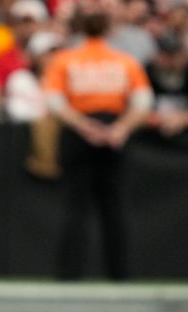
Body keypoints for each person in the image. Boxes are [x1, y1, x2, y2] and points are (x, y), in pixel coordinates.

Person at [42, 0, 152, 280]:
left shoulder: (65, 59)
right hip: (113, 133)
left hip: (80, 133)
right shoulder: (124, 61)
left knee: (75, 208)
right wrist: (121, 129)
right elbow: (142, 101)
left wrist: (83, 126)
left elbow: (54, 101)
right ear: (110, 29)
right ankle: (121, 277)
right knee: (115, 210)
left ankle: (68, 277)